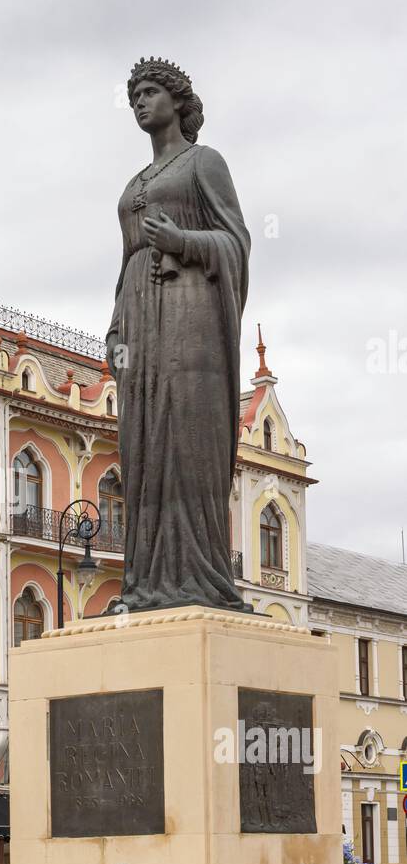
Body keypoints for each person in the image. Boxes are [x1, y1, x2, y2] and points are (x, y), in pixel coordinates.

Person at [107, 58, 252, 614]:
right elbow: (125, 260)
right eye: (133, 97)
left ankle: (199, 577)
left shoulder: (203, 163)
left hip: (191, 313)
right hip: (139, 314)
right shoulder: (133, 184)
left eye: (149, 93)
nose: (140, 103)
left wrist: (183, 240)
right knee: (141, 441)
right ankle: (146, 583)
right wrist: (116, 325)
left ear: (176, 100)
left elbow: (235, 242)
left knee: (189, 432)